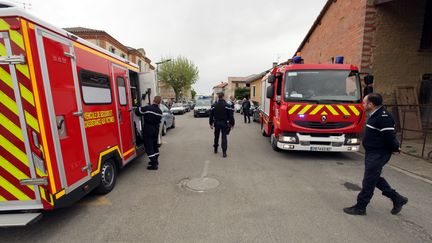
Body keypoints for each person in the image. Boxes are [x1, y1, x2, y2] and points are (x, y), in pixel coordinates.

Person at [344, 93, 408, 215]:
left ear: (371, 104)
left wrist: (395, 148)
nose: (362, 105)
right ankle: (397, 198)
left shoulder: (384, 117)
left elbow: (389, 137)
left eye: (364, 103)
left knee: (368, 180)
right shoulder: (374, 115)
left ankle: (360, 207)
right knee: (374, 178)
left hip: (379, 153)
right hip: (372, 152)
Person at [136, 96, 163, 170]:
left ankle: (154, 165)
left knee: (149, 147)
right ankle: (156, 161)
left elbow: (137, 112)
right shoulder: (160, 111)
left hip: (148, 130)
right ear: (159, 102)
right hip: (156, 129)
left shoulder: (148, 108)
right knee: (155, 146)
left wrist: (137, 104)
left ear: (153, 100)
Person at [209, 92, 235, 158]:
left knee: (216, 136)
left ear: (218, 97)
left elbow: (211, 115)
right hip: (224, 123)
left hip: (216, 123)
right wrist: (232, 124)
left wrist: (210, 123)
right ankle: (224, 152)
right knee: (224, 137)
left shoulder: (214, 105)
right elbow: (231, 116)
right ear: (223, 96)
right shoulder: (227, 106)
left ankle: (215, 149)